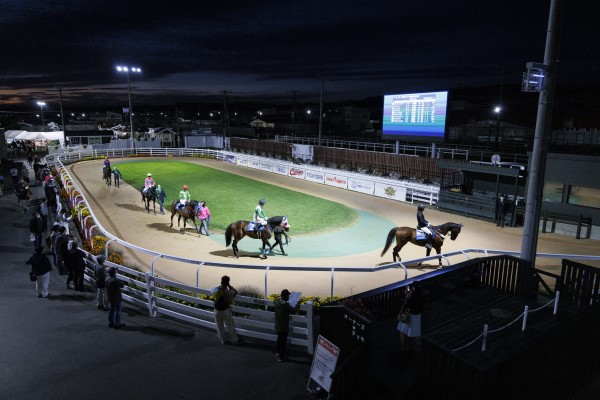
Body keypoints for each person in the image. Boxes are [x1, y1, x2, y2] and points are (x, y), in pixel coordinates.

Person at [213, 276, 244, 345]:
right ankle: (235, 340)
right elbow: (235, 292)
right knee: (230, 325)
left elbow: (212, 292)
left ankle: (223, 340)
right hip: (224, 311)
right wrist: (229, 286)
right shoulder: (228, 292)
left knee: (219, 326)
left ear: (221, 282)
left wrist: (221, 286)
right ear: (227, 282)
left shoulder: (216, 290)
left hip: (216, 310)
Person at [397, 281, 424, 351]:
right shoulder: (421, 295)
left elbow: (406, 305)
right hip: (417, 314)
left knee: (402, 331)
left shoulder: (412, 297)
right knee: (416, 333)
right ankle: (417, 347)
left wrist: (407, 297)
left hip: (408, 314)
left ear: (414, 288)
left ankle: (402, 347)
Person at [274, 289, 300, 362]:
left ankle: (277, 351)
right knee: (283, 342)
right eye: (288, 295)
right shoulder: (285, 305)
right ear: (286, 296)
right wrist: (297, 304)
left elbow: (275, 300)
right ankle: (281, 357)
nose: (289, 297)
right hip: (284, 327)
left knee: (279, 339)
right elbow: (294, 311)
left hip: (277, 326)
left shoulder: (276, 302)